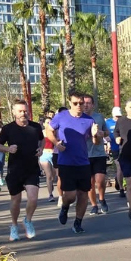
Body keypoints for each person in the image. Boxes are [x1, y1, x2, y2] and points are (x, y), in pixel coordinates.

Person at [46, 91, 102, 234]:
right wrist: (56, 143)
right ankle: (65, 207)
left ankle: (78, 222)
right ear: (70, 103)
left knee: (83, 194)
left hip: (83, 162)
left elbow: (95, 142)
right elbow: (49, 130)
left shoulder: (89, 120)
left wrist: (96, 135)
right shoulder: (61, 117)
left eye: (81, 103)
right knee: (70, 195)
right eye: (75, 103)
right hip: (66, 162)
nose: (79, 106)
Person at [0, 100, 44, 241]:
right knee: (16, 201)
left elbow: (42, 140)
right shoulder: (8, 129)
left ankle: (27, 220)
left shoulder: (35, 127)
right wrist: (8, 149)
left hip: (32, 168)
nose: (23, 113)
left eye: (25, 110)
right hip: (15, 169)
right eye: (20, 111)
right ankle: (14, 226)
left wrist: (40, 149)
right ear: (14, 113)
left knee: (33, 198)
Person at [82, 93, 109, 214]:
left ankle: (102, 199)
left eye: (88, 103)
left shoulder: (99, 117)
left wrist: (103, 133)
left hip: (99, 154)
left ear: (93, 105)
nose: (86, 105)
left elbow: (107, 132)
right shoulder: (79, 118)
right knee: (89, 183)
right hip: (84, 155)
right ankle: (94, 205)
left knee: (100, 180)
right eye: (84, 103)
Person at [106, 106, 125, 197]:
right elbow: (105, 133)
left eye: (119, 116)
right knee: (119, 167)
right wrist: (107, 141)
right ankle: (121, 188)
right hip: (115, 148)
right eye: (117, 116)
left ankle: (118, 179)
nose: (118, 118)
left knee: (125, 168)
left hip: (125, 147)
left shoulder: (124, 121)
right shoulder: (108, 122)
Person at [39, 115, 57, 202]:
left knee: (53, 176)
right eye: (47, 122)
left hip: (54, 154)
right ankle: (50, 194)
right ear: (44, 124)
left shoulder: (55, 133)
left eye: (51, 122)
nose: (49, 124)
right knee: (49, 175)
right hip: (44, 155)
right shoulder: (41, 133)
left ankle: (51, 185)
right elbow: (38, 144)